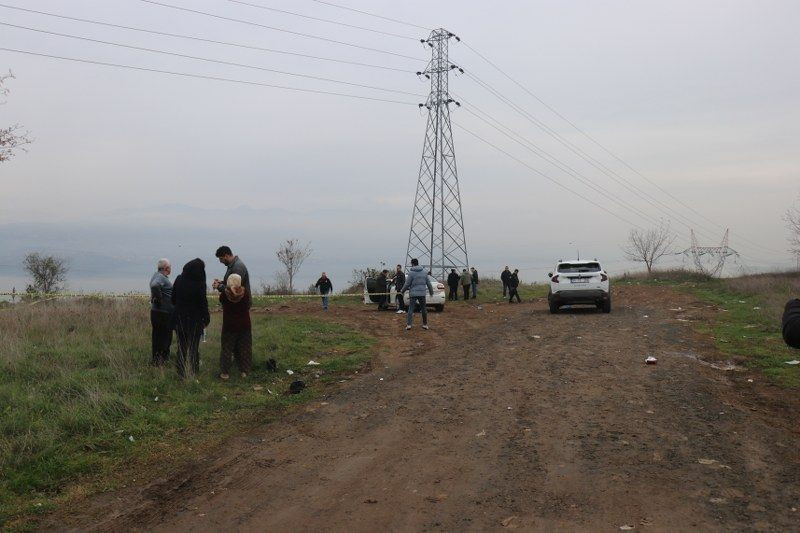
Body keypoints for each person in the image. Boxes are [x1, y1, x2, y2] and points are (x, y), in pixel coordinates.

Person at [171, 258, 210, 378]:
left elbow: (173, 299)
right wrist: (206, 318)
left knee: (181, 347)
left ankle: (181, 372)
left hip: (180, 319)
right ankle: (193, 371)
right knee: (194, 347)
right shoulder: (200, 284)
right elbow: (203, 304)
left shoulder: (178, 279)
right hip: (195, 320)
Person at [219, 274, 252, 380]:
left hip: (229, 326)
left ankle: (225, 373)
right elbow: (248, 304)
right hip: (244, 325)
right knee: (245, 348)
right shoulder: (245, 293)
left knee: (227, 349)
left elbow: (222, 301)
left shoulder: (224, 295)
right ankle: (244, 371)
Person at [149, 258, 174, 366]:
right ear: (166, 268)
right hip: (163, 313)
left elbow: (154, 286)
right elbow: (155, 285)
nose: (170, 269)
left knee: (157, 336)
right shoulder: (160, 277)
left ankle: (156, 359)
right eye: (170, 267)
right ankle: (162, 360)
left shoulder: (156, 275)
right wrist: (159, 299)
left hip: (156, 312)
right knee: (165, 337)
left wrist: (155, 297)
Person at [401, 258, 434, 330]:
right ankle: (425, 324)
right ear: (418, 263)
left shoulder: (411, 273)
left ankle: (409, 325)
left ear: (412, 264)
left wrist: (402, 291)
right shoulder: (424, 272)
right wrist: (431, 292)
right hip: (422, 293)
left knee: (411, 309)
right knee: (423, 309)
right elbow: (428, 283)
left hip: (413, 293)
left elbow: (407, 284)